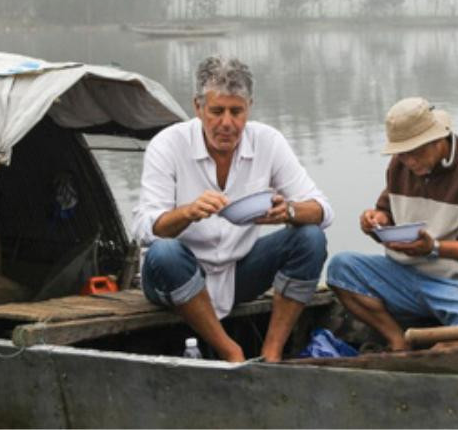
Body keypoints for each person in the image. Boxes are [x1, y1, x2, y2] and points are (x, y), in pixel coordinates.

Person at [131, 56, 330, 362]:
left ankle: (272, 352)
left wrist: (288, 211)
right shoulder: (167, 145)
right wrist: (187, 212)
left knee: (310, 239)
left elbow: (322, 210)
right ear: (198, 107)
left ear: (249, 106)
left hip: (237, 272)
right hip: (175, 276)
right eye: (216, 111)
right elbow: (145, 229)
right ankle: (230, 351)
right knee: (165, 253)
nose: (227, 123)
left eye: (237, 112)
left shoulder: (268, 141)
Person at [327, 97, 458, 351]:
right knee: (341, 268)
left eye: (415, 152)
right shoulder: (399, 167)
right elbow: (385, 210)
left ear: (437, 140)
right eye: (402, 154)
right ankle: (397, 340)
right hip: (403, 274)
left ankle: (435, 353)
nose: (409, 161)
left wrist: (435, 247)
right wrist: (376, 221)